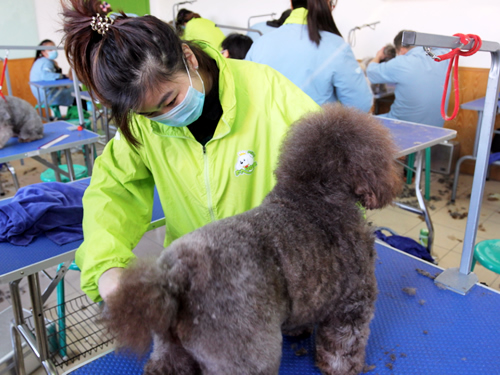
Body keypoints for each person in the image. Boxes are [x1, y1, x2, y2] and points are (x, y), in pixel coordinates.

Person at [61, 0, 320, 303]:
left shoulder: (268, 91)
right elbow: (113, 190)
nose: (165, 116)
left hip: (275, 280)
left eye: (170, 100)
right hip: (194, 281)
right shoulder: (141, 126)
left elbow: (330, 169)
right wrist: (107, 269)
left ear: (188, 57)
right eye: (151, 113)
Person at [246, 0, 373, 111]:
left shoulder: (260, 43)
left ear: (291, 3)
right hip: (314, 136)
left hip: (267, 135)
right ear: (328, 3)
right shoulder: (336, 46)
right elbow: (360, 105)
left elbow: (247, 92)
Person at [366, 30, 449, 127]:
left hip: (403, 126)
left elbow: (371, 71)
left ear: (402, 50)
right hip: (436, 128)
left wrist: (378, 56)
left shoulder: (402, 62)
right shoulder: (443, 57)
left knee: (365, 123)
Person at [29, 40, 74, 108]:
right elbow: (46, 76)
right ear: (43, 52)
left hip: (41, 94)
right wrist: (63, 76)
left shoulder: (41, 61)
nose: (54, 51)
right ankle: (82, 114)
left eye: (54, 48)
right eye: (50, 49)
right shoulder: (46, 62)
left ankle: (77, 113)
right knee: (75, 89)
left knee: (72, 88)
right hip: (47, 95)